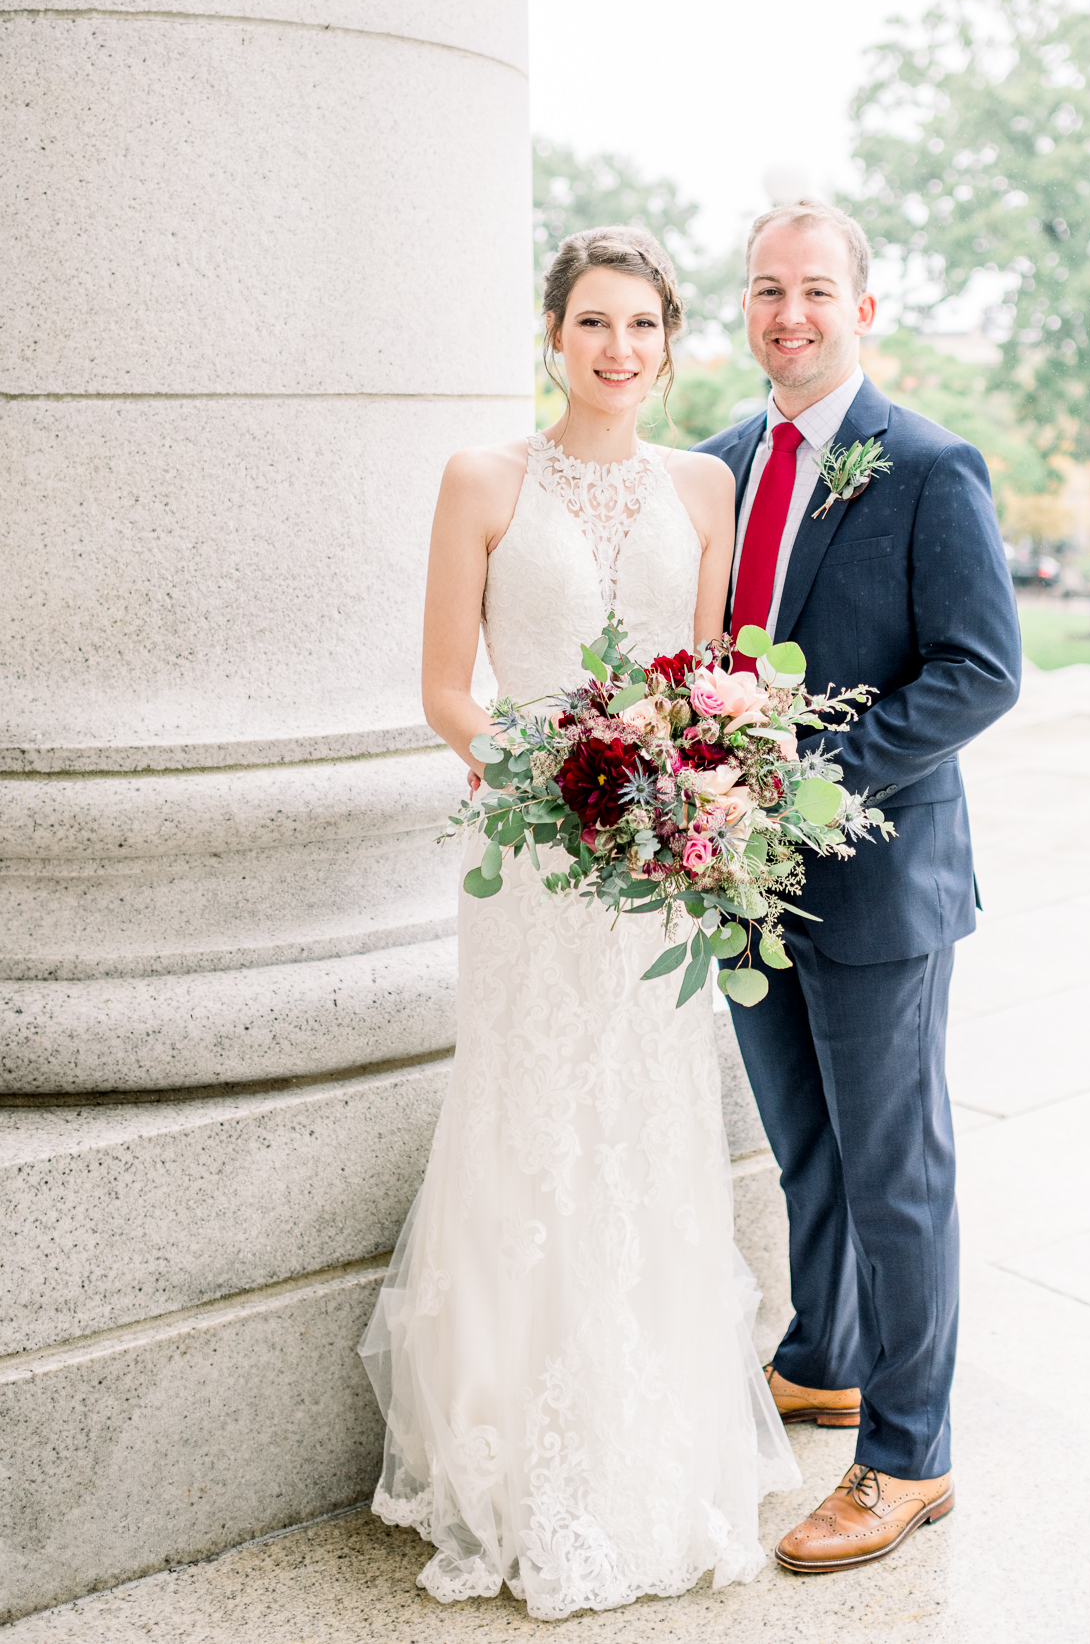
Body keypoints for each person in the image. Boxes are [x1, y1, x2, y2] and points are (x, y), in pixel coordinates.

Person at [360, 227, 798, 1617]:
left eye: (645, 328)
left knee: (646, 1136)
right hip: (540, 865)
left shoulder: (704, 485)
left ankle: (654, 1452)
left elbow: (715, 676)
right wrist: (550, 794)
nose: (619, 350)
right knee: (532, 1129)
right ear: (553, 333)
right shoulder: (482, 480)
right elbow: (446, 691)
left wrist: (690, 800)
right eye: (595, 322)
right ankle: (512, 1459)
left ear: (670, 346)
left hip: (653, 874)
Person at [697, 198, 1021, 1575]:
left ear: (864, 309)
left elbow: (981, 670)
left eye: (818, 291)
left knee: (899, 1169)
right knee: (802, 1145)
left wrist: (809, 776)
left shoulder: (931, 468)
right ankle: (823, 1357)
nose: (792, 315)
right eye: (770, 291)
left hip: (881, 883)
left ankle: (907, 1453)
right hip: (742, 880)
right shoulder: (713, 468)